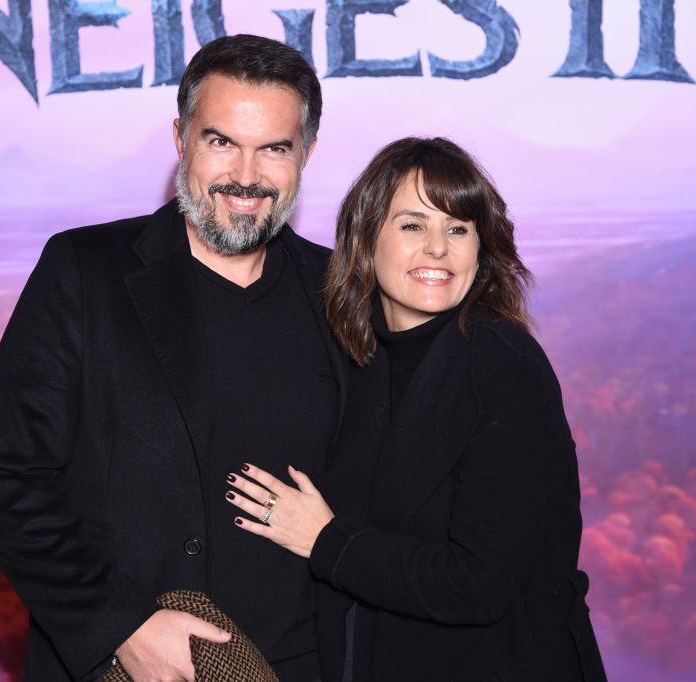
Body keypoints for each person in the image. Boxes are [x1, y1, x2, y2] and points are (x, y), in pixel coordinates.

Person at [0, 35, 344, 682]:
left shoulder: (343, 294)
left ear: (305, 152)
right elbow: (9, 475)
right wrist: (119, 628)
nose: (246, 176)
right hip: (122, 664)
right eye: (221, 141)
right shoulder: (84, 272)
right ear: (181, 138)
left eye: (274, 148)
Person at [227, 137, 607, 681]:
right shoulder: (353, 362)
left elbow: (477, 584)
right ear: (366, 239)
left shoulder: (503, 367)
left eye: (458, 229)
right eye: (412, 226)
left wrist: (325, 541)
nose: (438, 248)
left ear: (481, 249)